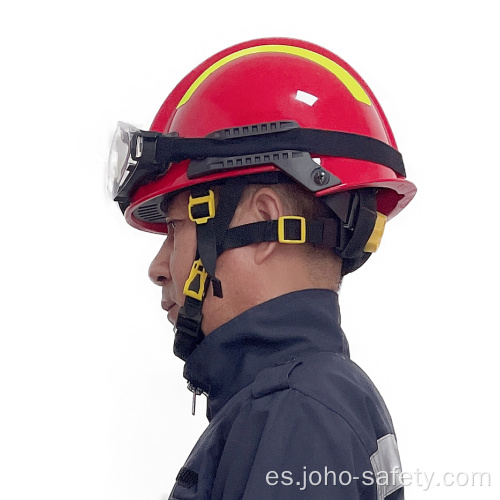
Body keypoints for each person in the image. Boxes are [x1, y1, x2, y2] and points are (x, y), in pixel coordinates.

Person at [108, 37, 416, 499]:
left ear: (266, 224)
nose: (158, 267)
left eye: (175, 228)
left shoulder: (295, 412)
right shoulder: (309, 400)